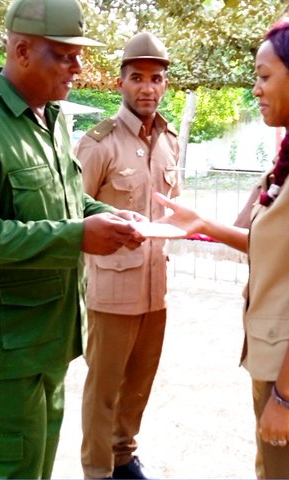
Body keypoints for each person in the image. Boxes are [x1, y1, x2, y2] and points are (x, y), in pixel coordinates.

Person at [0, 0, 145, 480]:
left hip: (46, 333)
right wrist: (77, 236)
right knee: (12, 467)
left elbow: (66, 200)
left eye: (78, 57)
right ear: (21, 50)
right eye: (62, 57)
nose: (76, 69)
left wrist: (107, 216)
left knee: (36, 462)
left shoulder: (48, 120)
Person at [155, 12, 289, 480]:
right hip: (287, 362)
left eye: (264, 77)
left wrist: (287, 397)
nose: (256, 89)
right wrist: (202, 224)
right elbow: (281, 249)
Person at [76, 31, 181, 480]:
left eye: (156, 78)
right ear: (120, 83)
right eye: (137, 77)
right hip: (111, 289)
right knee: (103, 389)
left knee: (139, 384)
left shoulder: (170, 140)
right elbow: (73, 212)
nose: (147, 87)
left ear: (164, 86)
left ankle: (123, 455)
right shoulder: (98, 142)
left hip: (155, 290)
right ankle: (97, 470)